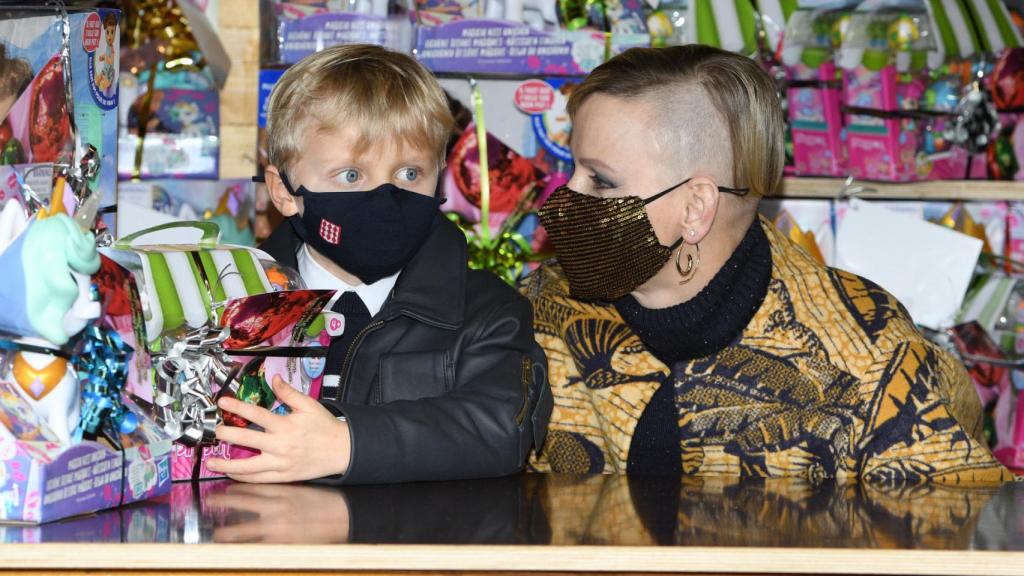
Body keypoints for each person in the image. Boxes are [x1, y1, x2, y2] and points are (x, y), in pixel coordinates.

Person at [521, 44, 1013, 484]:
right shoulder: (539, 313)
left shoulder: (872, 354)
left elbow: (959, 531)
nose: (565, 197)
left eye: (600, 180)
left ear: (695, 208)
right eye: (572, 169)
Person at [206, 44, 551, 484]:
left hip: (413, 548)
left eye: (410, 174)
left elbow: (502, 427)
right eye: (351, 175)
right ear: (284, 192)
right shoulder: (232, 303)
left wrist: (347, 444)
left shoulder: (485, 310)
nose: (386, 198)